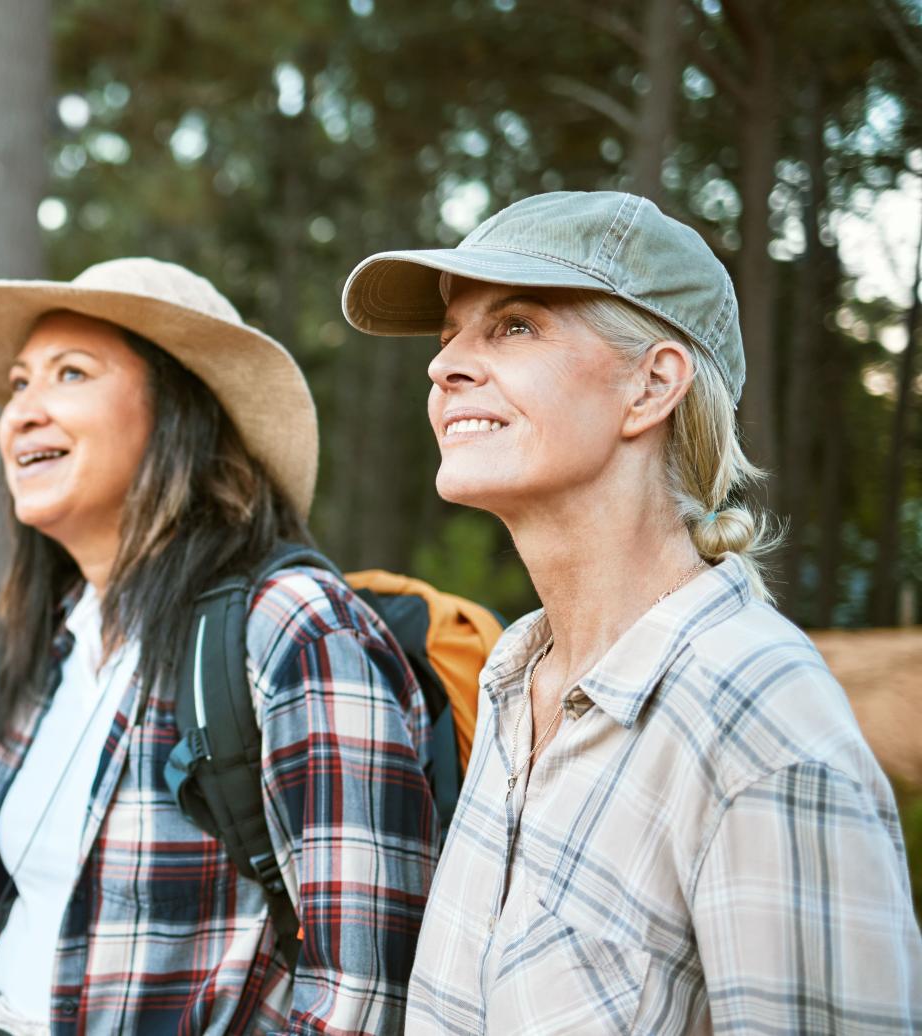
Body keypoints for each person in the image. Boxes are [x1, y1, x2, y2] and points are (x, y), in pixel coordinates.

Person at [342, 190, 922, 1033]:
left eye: (513, 326)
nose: (445, 366)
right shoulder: (512, 678)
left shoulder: (758, 716)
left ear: (652, 385)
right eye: (447, 337)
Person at [0, 258, 437, 1035]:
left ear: (179, 412)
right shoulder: (59, 638)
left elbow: (360, 994)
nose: (22, 411)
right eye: (20, 383)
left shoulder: (291, 625)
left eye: (71, 373)